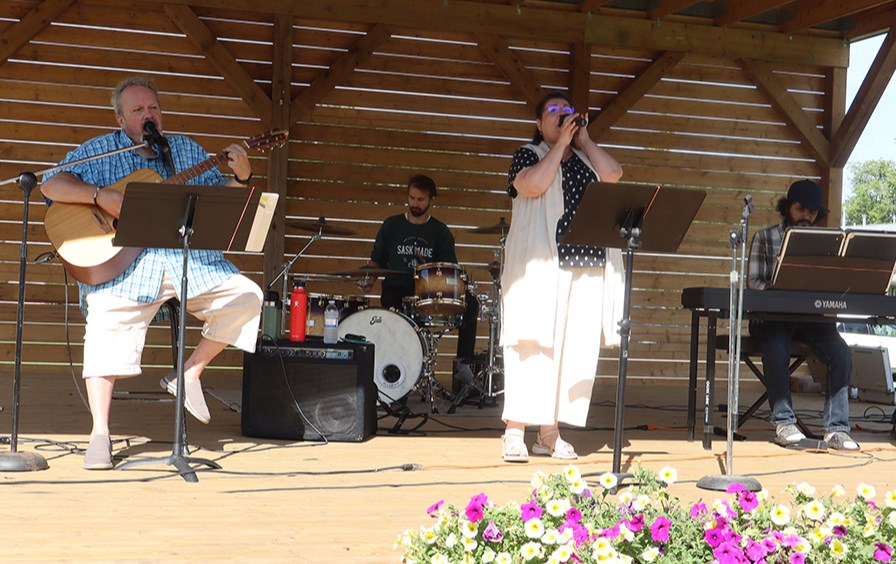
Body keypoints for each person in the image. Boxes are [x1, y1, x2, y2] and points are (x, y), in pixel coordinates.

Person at [40, 76, 263, 470]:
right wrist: (100, 196)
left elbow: (220, 199)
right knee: (105, 321)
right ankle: (100, 433)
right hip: (127, 268)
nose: (148, 116)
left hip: (185, 261)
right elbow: (51, 183)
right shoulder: (100, 151)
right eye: (138, 110)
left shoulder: (183, 151)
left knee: (248, 297)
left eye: (154, 109)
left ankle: (190, 373)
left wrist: (242, 176)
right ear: (120, 118)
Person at [500, 91, 625, 463]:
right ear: (539, 124)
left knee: (574, 351)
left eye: (566, 111)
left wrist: (583, 140)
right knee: (531, 344)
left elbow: (614, 175)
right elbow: (533, 185)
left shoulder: (586, 159)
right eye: (552, 111)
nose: (560, 115)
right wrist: (560, 145)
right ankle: (515, 430)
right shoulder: (529, 154)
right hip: (540, 265)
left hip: (587, 264)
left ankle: (550, 432)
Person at [746, 179, 859, 451]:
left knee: (841, 353)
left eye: (812, 211)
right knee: (775, 345)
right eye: (800, 209)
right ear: (787, 207)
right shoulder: (764, 237)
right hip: (772, 318)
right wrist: (778, 289)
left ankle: (836, 430)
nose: (806, 216)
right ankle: (784, 424)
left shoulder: (829, 243)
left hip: (812, 319)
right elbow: (754, 282)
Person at [360, 174, 478, 380]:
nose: (414, 203)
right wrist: (369, 280)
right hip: (397, 288)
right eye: (411, 198)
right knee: (392, 303)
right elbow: (377, 260)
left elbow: (448, 269)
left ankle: (463, 372)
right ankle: (394, 374)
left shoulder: (440, 232)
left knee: (472, 304)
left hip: (427, 292)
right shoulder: (391, 225)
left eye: (420, 199)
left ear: (432, 200)